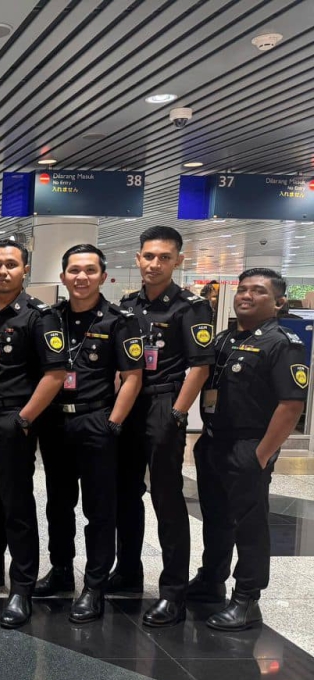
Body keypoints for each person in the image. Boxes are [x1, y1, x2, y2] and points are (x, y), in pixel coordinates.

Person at [192, 269, 308, 630]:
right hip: (214, 441)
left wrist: (261, 454)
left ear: (278, 302)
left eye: (258, 291)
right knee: (216, 517)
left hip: (248, 444)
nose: (246, 296)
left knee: (249, 523)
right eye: (242, 289)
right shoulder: (226, 338)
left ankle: (247, 598)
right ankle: (211, 579)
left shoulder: (282, 342)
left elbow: (291, 405)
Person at [0, 240, 66, 627]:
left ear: (25, 269)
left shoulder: (40, 316)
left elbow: (55, 375)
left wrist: (24, 419)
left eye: (10, 265)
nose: (2, 271)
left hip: (11, 419)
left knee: (16, 504)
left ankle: (22, 586)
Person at [33, 245, 144, 622]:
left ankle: (94, 585)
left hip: (95, 423)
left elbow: (132, 377)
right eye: (74, 270)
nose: (81, 277)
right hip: (54, 424)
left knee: (99, 510)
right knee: (58, 504)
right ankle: (61, 570)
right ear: (62, 276)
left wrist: (113, 422)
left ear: (103, 276)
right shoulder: (49, 317)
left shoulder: (119, 320)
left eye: (90, 270)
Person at [113, 225, 214, 627]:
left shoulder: (190, 307)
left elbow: (200, 365)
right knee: (125, 495)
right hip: (128, 404)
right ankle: (128, 571)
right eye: (149, 256)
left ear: (178, 261)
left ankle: (173, 591)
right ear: (138, 258)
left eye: (164, 257)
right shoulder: (126, 304)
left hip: (163, 404)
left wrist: (177, 414)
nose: (155, 264)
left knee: (167, 501)